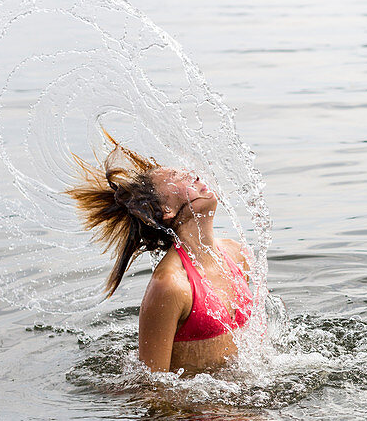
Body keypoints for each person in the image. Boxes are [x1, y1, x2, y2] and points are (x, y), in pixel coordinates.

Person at [66, 131, 253, 373]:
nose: (193, 175)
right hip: (198, 410)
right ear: (166, 210)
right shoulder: (170, 285)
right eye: (177, 177)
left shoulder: (237, 255)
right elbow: (153, 386)